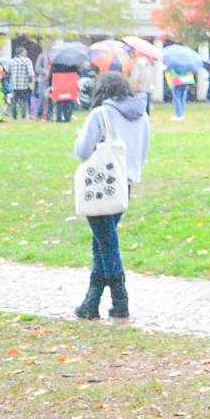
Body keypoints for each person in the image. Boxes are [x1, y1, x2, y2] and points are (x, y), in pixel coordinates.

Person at [71, 71, 151, 321]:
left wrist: (77, 139)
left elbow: (83, 152)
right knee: (102, 243)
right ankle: (91, 303)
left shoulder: (101, 114)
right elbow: (143, 150)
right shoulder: (142, 115)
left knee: (106, 244)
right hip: (125, 185)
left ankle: (121, 299)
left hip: (101, 185)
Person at [5, 44, 32, 121]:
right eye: (24, 51)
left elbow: (8, 72)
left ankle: (14, 116)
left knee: (14, 101)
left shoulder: (11, 61)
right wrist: (30, 82)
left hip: (13, 84)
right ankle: (23, 116)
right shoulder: (27, 61)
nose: (26, 52)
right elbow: (30, 73)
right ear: (22, 52)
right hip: (24, 85)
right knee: (24, 100)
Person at [49, 59, 79, 123]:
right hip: (69, 83)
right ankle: (67, 117)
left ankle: (59, 117)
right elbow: (77, 72)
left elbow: (51, 73)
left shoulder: (56, 62)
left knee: (59, 100)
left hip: (59, 82)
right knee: (68, 100)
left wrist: (50, 83)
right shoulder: (72, 62)